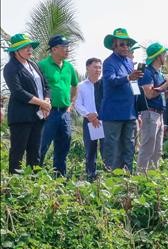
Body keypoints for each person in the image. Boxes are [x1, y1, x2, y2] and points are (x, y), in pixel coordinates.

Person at [2, 34, 51, 174]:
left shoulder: (33, 65)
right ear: (15, 51)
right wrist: (41, 102)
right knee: (18, 152)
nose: (30, 50)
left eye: (30, 47)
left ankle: (34, 185)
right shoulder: (10, 67)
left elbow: (46, 86)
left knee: (35, 153)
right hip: (21, 116)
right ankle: (15, 186)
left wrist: (47, 101)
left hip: (38, 116)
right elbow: (18, 92)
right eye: (25, 47)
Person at [99, 28, 143, 172]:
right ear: (114, 46)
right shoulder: (109, 62)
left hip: (129, 113)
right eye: (122, 44)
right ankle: (110, 180)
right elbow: (111, 80)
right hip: (113, 114)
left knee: (129, 147)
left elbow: (133, 85)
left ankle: (127, 179)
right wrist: (129, 77)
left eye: (127, 44)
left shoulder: (129, 62)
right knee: (112, 148)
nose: (126, 47)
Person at [38, 35, 78, 176]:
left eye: (68, 46)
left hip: (64, 113)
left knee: (63, 146)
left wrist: (71, 104)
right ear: (54, 49)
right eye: (64, 47)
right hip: (48, 112)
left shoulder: (69, 67)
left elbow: (74, 85)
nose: (67, 50)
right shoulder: (42, 65)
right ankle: (33, 179)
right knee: (42, 146)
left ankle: (60, 179)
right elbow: (37, 87)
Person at [137, 43, 168, 172]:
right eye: (164, 54)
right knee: (147, 148)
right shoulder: (147, 72)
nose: (165, 56)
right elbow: (149, 94)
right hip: (149, 114)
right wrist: (166, 84)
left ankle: (152, 178)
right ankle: (141, 176)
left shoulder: (158, 73)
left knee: (157, 151)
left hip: (159, 114)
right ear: (158, 56)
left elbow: (160, 94)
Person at [74, 58, 104, 180]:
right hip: (89, 121)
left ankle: (108, 173)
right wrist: (89, 115)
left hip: (105, 120)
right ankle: (90, 176)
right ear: (87, 68)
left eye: (99, 67)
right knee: (90, 150)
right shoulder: (81, 86)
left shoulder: (105, 85)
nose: (98, 70)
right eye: (95, 67)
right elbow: (77, 103)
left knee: (107, 149)